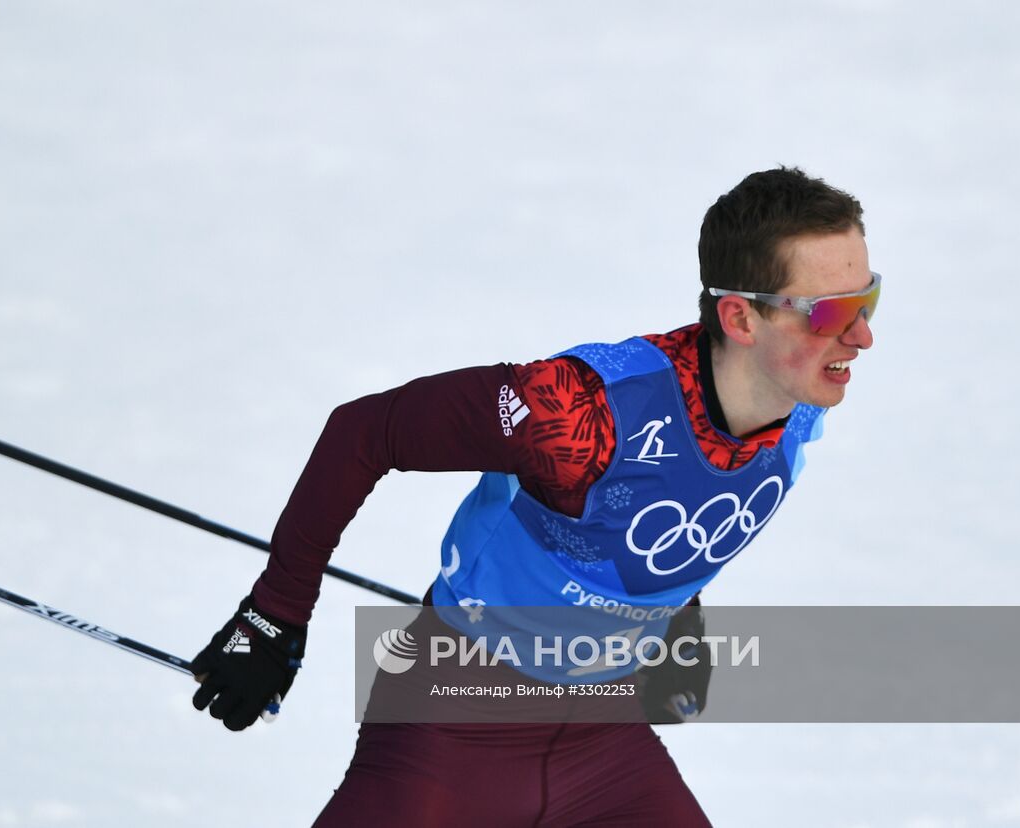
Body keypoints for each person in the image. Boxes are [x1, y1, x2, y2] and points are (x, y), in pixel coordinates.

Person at [190, 166, 879, 825]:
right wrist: (274, 617)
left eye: (868, 299)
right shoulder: (577, 415)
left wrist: (677, 627)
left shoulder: (802, 402)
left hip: (605, 756)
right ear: (740, 319)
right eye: (831, 313)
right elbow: (365, 432)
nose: (862, 336)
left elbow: (674, 501)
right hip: (451, 733)